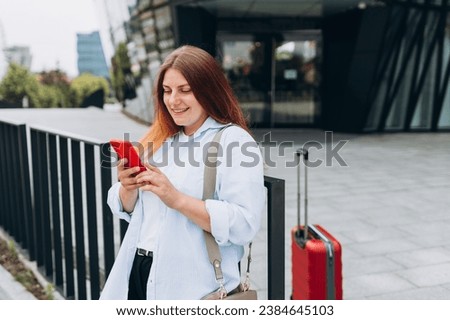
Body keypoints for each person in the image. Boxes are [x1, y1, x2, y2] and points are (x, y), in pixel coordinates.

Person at [100, 45, 265, 300]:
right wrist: (127, 187)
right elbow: (124, 207)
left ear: (208, 90)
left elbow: (244, 224)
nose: (173, 101)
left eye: (185, 90)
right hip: (141, 275)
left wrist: (176, 199)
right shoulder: (162, 138)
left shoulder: (234, 141)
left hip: (193, 288)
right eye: (167, 91)